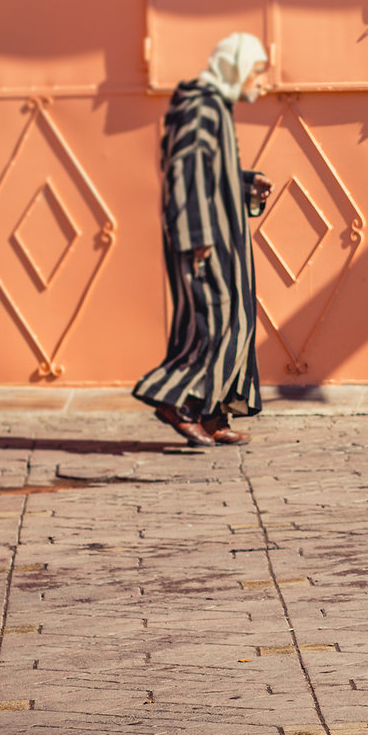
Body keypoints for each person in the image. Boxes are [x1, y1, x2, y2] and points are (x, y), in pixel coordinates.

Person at [133, 33, 272, 446]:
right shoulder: (200, 107)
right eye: (256, 71)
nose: (261, 82)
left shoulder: (216, 107)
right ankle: (177, 401)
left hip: (223, 237)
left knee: (237, 320)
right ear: (235, 66)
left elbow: (211, 172)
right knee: (212, 319)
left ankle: (214, 412)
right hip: (205, 238)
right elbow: (185, 171)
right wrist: (196, 236)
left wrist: (245, 183)